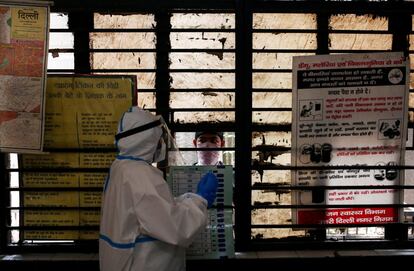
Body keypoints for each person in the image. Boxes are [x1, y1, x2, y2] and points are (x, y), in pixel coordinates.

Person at [99, 106, 218, 271]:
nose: (160, 144)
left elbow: (147, 212)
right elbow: (177, 227)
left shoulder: (121, 167)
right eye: (158, 138)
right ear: (146, 139)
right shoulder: (140, 175)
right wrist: (200, 200)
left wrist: (184, 199)